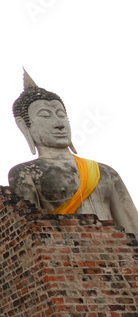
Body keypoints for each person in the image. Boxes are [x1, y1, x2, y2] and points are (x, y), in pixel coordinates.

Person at [9, 71, 138, 236]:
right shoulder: (25, 174)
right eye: (45, 116)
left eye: (61, 115)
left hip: (118, 253)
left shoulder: (106, 173)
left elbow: (132, 226)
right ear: (25, 127)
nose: (59, 124)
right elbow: (32, 230)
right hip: (68, 254)